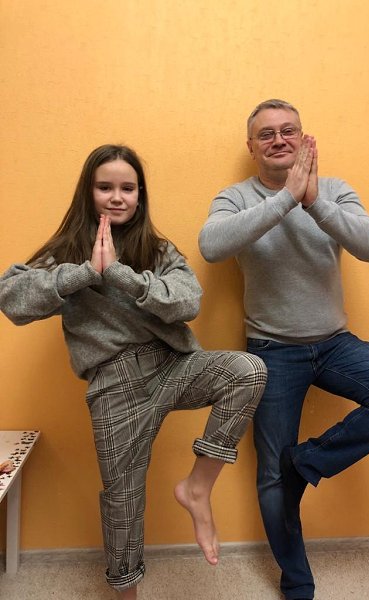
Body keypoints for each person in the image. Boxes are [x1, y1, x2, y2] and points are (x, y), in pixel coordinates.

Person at [0, 144, 268, 600]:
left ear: (140, 195)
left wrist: (121, 275)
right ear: (88, 192)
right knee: (122, 498)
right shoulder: (66, 252)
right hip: (114, 383)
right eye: (105, 187)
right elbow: (12, 299)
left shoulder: (156, 249)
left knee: (248, 370)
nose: (117, 197)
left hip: (171, 365)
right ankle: (127, 594)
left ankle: (197, 489)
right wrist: (85, 272)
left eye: (128, 188)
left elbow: (188, 301)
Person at [199, 99, 369, 600]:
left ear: (304, 139)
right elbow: (212, 246)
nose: (279, 139)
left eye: (289, 130)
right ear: (251, 146)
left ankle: (306, 462)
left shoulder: (336, 190)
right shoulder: (235, 197)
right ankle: (297, 581)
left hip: (334, 343)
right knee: (270, 476)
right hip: (271, 351)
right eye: (266, 134)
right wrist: (286, 198)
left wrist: (314, 201)